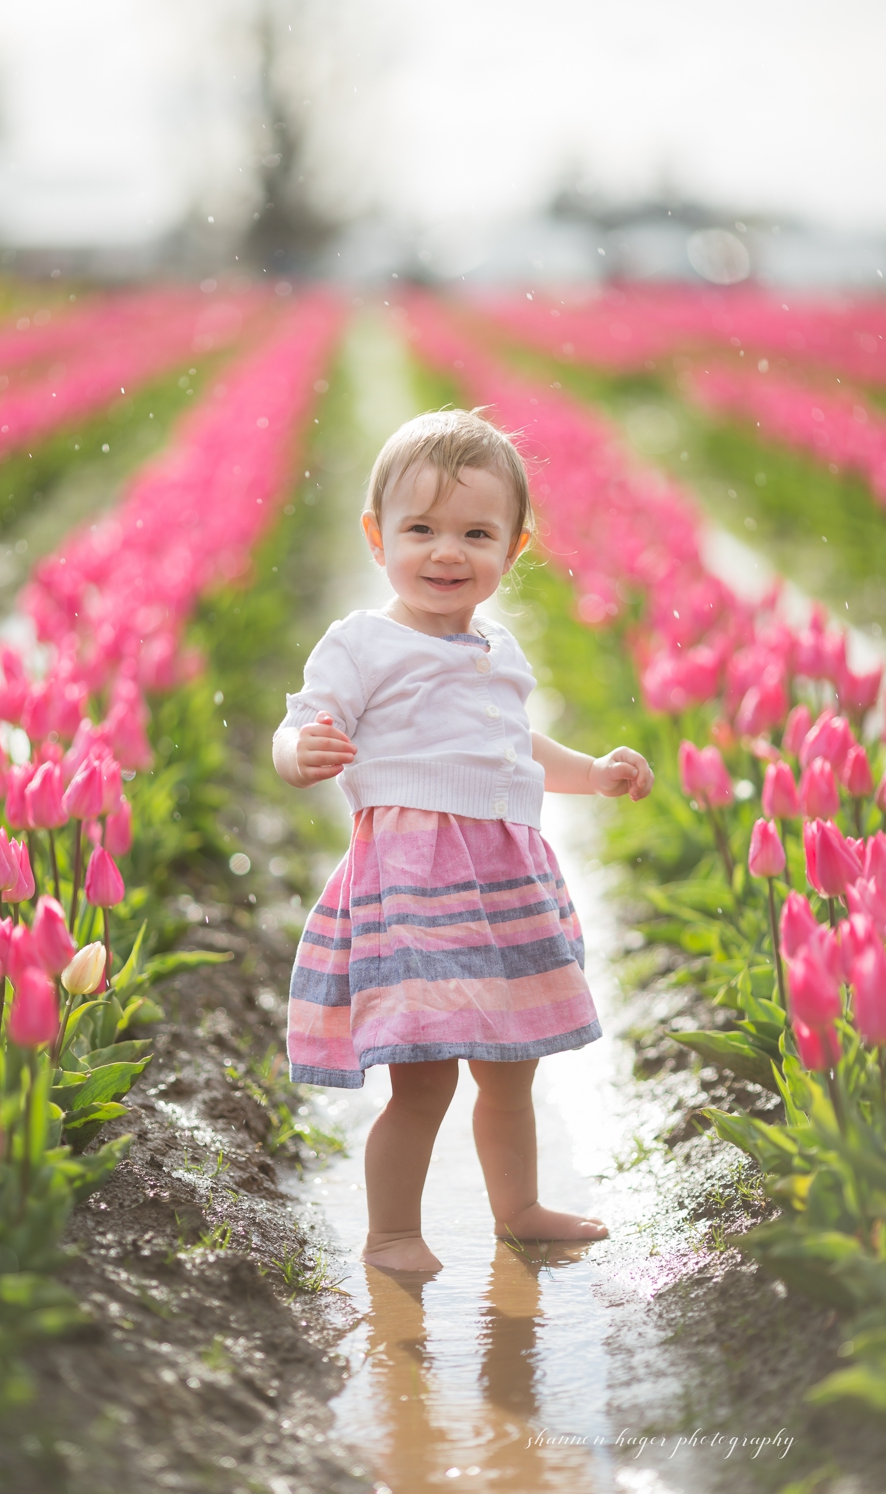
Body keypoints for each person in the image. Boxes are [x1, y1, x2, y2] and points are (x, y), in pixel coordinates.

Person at [274, 408, 654, 1273]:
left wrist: (593, 772)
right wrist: (303, 753)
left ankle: (518, 1207)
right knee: (424, 1076)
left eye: (476, 533)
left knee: (510, 1066)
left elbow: (516, 750)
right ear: (377, 538)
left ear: (515, 548)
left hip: (503, 880)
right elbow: (297, 726)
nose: (447, 552)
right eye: (421, 530)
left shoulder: (497, 648)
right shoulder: (362, 644)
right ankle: (393, 1233)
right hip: (413, 880)